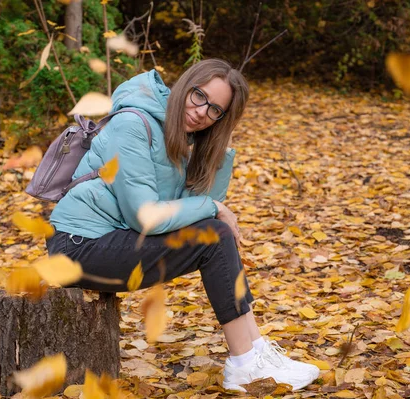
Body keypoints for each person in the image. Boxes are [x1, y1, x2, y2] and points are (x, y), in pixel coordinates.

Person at [46, 58, 320, 392]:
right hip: (77, 247)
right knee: (213, 235)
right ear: (184, 86)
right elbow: (146, 216)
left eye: (216, 110)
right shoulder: (133, 123)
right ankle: (245, 363)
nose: (202, 111)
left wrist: (219, 153)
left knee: (213, 234)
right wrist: (214, 206)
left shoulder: (182, 137)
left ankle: (256, 351)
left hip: (112, 241)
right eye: (199, 96)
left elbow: (194, 209)